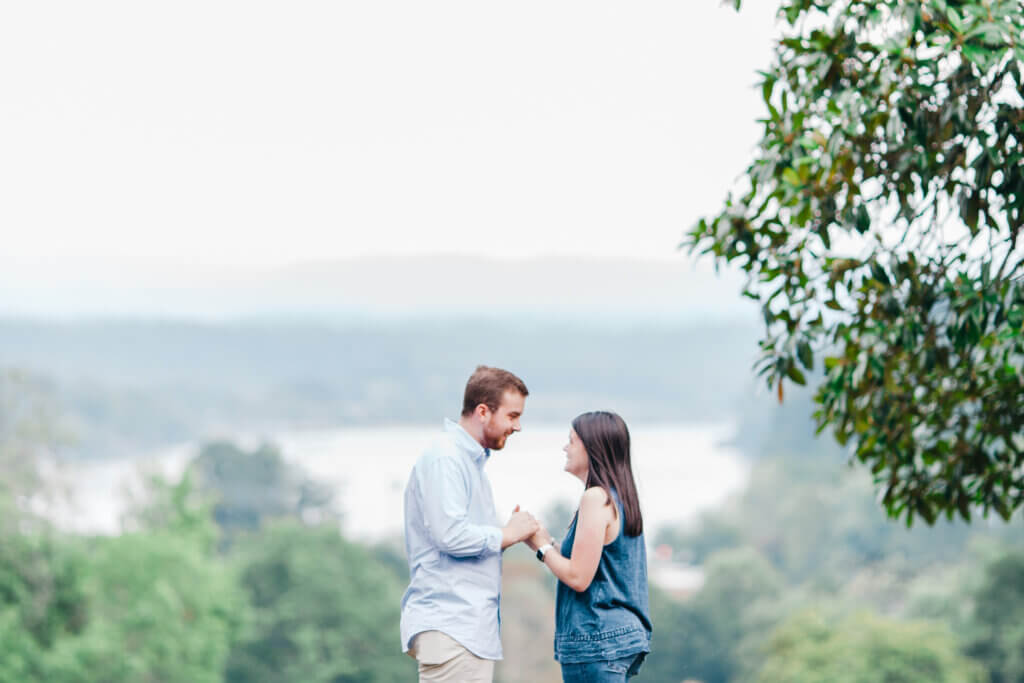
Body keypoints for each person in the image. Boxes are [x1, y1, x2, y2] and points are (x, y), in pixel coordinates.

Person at [400, 365, 539, 683]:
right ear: (482, 412)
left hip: (464, 629)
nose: (517, 427)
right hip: (452, 627)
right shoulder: (446, 459)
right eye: (512, 416)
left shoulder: (466, 461)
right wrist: (507, 534)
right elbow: (450, 535)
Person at [528, 411, 652, 682]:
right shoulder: (619, 498)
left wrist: (541, 549)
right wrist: (547, 542)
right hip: (619, 638)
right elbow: (595, 565)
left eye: (572, 440)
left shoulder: (595, 498)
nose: (565, 447)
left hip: (595, 638)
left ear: (592, 446)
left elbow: (578, 577)